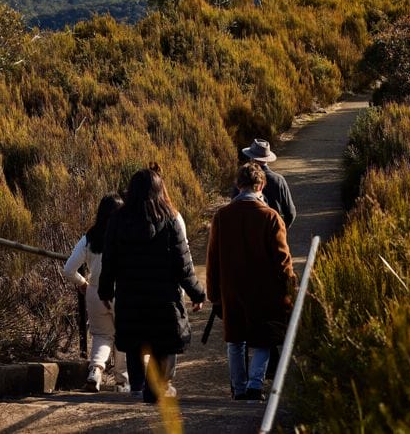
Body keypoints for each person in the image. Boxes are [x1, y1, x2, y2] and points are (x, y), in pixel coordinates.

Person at [99, 164, 206, 404]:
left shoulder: (118, 220)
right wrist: (197, 293)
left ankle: (137, 387)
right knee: (161, 343)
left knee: (135, 342)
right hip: (163, 299)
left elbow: (109, 260)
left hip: (130, 297)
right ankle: (155, 387)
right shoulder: (170, 220)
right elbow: (183, 264)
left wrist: (105, 291)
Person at [206, 161, 296, 402]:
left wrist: (214, 294)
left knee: (236, 340)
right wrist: (290, 288)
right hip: (264, 290)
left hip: (232, 289)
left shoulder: (222, 216)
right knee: (264, 340)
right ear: (261, 186)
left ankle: (238, 388)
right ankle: (255, 384)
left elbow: (212, 259)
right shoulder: (271, 217)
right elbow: (283, 261)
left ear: (238, 185)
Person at [63, 194, 126, 392]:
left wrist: (83, 283)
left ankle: (95, 371)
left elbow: (68, 269)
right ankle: (123, 381)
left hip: (95, 291)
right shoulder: (125, 234)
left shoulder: (90, 237)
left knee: (102, 336)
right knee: (124, 335)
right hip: (121, 291)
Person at [241, 139, 296, 228]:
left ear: (251, 158)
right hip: (272, 227)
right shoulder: (278, 180)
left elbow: (234, 204)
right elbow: (290, 213)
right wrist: (280, 230)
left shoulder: (243, 178)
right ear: (267, 159)